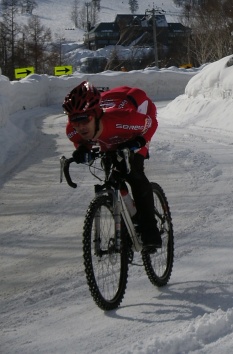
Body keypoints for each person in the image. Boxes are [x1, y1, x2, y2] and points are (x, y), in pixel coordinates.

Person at [62, 81, 162, 250]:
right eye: (74, 121)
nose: (80, 126)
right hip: (111, 124)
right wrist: (83, 149)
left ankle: (150, 229)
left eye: (84, 119)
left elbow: (151, 124)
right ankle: (130, 214)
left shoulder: (125, 120)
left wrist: (140, 141)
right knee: (112, 171)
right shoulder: (72, 131)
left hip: (138, 112)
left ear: (95, 115)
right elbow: (81, 140)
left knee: (134, 171)